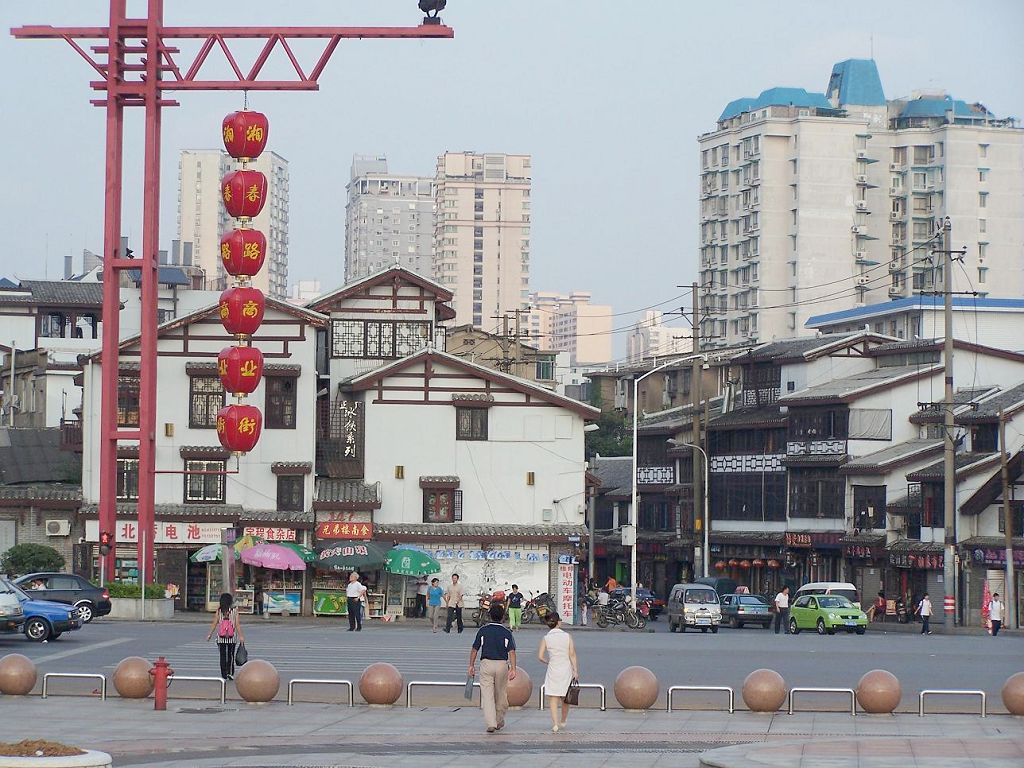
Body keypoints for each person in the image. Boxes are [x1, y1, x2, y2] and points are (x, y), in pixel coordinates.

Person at [468, 603, 517, 733]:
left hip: (486, 664)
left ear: (489, 616)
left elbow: (474, 649)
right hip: (501, 665)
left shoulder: (483, 630)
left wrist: (471, 665)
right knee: (501, 693)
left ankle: (491, 723)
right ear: (502, 617)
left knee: (487, 695)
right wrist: (513, 668)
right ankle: (499, 720)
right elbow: (511, 651)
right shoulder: (507, 632)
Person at [537, 611, 578, 733]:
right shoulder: (567, 636)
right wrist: (575, 670)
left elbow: (540, 656)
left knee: (553, 697)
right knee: (565, 697)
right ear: (558, 622)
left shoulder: (546, 638)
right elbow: (572, 654)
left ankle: (555, 724)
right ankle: (563, 720)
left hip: (553, 668)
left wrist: (547, 661)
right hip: (566, 668)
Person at [206, 592, 244, 680]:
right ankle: (230, 673)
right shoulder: (234, 611)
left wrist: (209, 634)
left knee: (222, 656)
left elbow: (214, 623)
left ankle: (223, 674)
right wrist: (241, 636)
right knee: (230, 655)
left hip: (221, 638)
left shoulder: (219, 611)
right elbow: (237, 624)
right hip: (232, 637)